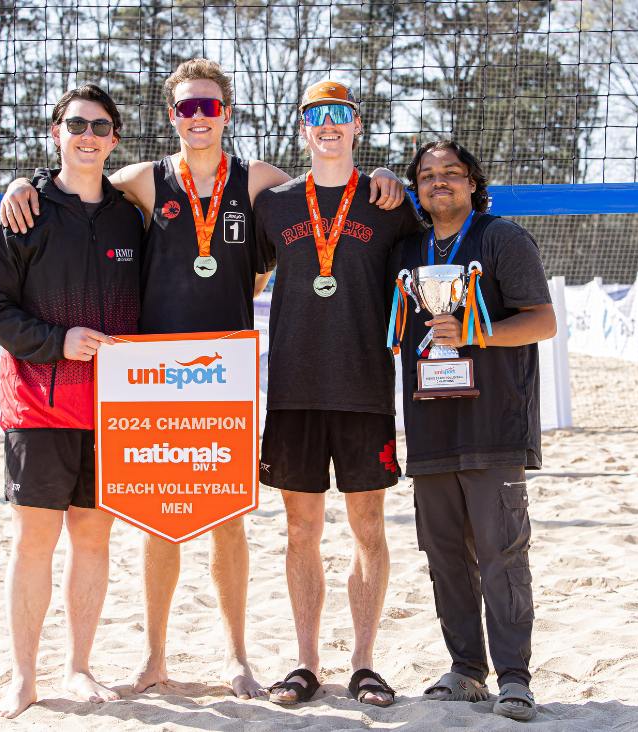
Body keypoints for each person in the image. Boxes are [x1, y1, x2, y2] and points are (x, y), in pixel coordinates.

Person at [0, 59, 407, 700]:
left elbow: (324, 193)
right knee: (156, 523)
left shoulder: (262, 185)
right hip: (151, 376)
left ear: (227, 113)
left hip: (225, 375)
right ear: (172, 116)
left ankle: (238, 655)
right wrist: (22, 182)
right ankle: (155, 655)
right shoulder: (142, 180)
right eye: (186, 107)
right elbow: (76, 177)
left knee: (228, 523)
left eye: (209, 106)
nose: (198, 117)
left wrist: (385, 175)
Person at [0, 83, 143, 719]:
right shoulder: (26, 210)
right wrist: (55, 341)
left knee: (93, 542)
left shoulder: (132, 215)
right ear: (56, 132)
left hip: (113, 409)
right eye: (76, 124)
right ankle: (23, 677)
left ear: (115, 139)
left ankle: (78, 667)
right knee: (34, 543)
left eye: (100, 126)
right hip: (39, 407)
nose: (88, 135)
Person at [252, 79, 423, 707]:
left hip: (364, 389)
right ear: (302, 128)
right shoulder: (274, 203)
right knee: (301, 530)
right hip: (294, 391)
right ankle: (304, 662)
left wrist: (393, 176)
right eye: (315, 115)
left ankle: (364, 663)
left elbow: (446, 218)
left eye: (339, 115)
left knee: (369, 527)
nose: (327, 125)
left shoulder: (388, 203)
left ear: (357, 125)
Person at [394, 139, 555, 721]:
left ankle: (515, 679)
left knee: (501, 556)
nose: (440, 182)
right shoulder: (408, 249)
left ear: (472, 182)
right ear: (416, 188)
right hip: (430, 425)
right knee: (443, 556)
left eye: (452, 173)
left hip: (494, 425)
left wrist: (473, 333)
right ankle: (466, 671)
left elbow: (543, 322)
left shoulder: (501, 238)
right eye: (428, 175)